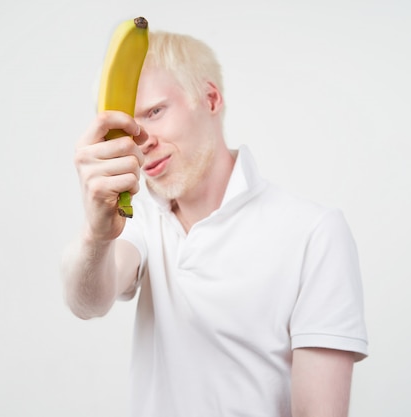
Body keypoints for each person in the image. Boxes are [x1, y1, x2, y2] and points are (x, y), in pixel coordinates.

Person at [61, 29, 368, 417]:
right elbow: (87, 301)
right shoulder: (138, 221)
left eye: (155, 112)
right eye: (130, 127)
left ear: (210, 99)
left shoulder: (314, 232)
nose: (143, 140)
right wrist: (96, 233)